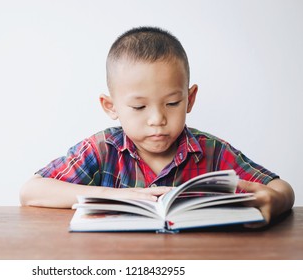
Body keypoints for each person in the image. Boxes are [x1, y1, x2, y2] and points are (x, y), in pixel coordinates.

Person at [20, 26, 294, 228]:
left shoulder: (210, 151)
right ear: (110, 106)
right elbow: (31, 191)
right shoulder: (102, 149)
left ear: (190, 99)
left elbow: (282, 188)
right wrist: (114, 196)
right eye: (139, 107)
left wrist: (275, 201)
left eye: (172, 103)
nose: (157, 120)